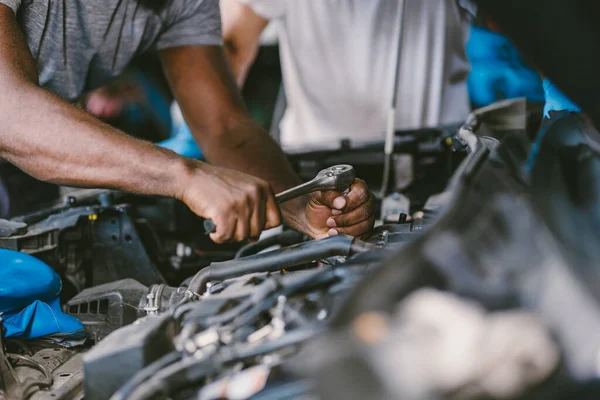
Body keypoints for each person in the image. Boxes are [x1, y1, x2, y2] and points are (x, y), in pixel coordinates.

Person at [0, 0, 375, 244]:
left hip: (26, 169)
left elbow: (224, 127)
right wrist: (184, 175)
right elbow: (10, 113)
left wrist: (301, 207)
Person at [220, 0, 473, 150]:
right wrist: (221, 142)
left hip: (442, 157)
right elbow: (230, 45)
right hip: (313, 170)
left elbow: (232, 45)